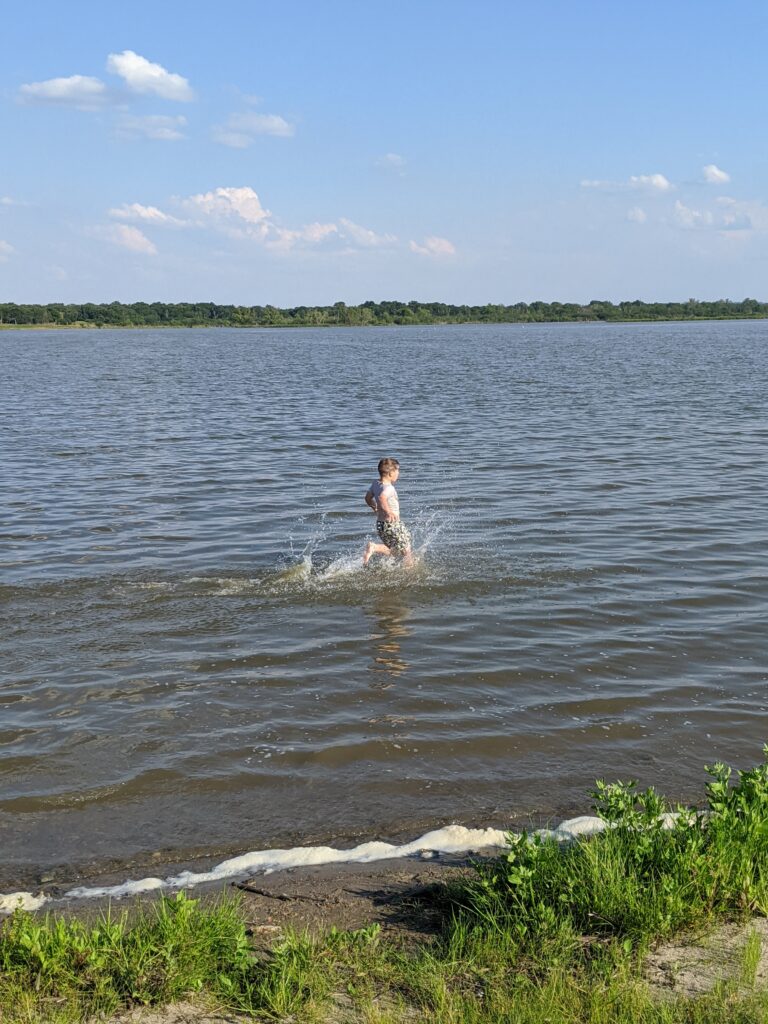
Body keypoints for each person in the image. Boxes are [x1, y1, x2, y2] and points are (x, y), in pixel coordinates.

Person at [363, 457, 414, 567]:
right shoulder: (389, 488)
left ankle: (375, 548)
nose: (398, 473)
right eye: (397, 470)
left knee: (394, 550)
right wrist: (389, 512)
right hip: (392, 524)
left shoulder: (375, 484)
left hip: (381, 525)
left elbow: (367, 498)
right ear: (391, 473)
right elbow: (382, 497)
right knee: (407, 549)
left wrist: (374, 507)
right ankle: (410, 571)